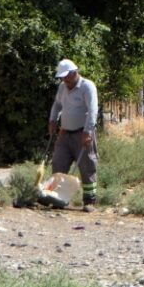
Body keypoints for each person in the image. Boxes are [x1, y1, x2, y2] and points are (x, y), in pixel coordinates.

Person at [48, 58, 99, 212]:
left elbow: (93, 110)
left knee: (87, 166)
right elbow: (57, 105)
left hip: (82, 133)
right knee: (58, 163)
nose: (64, 79)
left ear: (74, 73)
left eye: (66, 76)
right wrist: (52, 120)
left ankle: (89, 201)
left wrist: (88, 131)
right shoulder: (62, 87)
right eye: (62, 77)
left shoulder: (87, 86)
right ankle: (57, 198)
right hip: (65, 133)